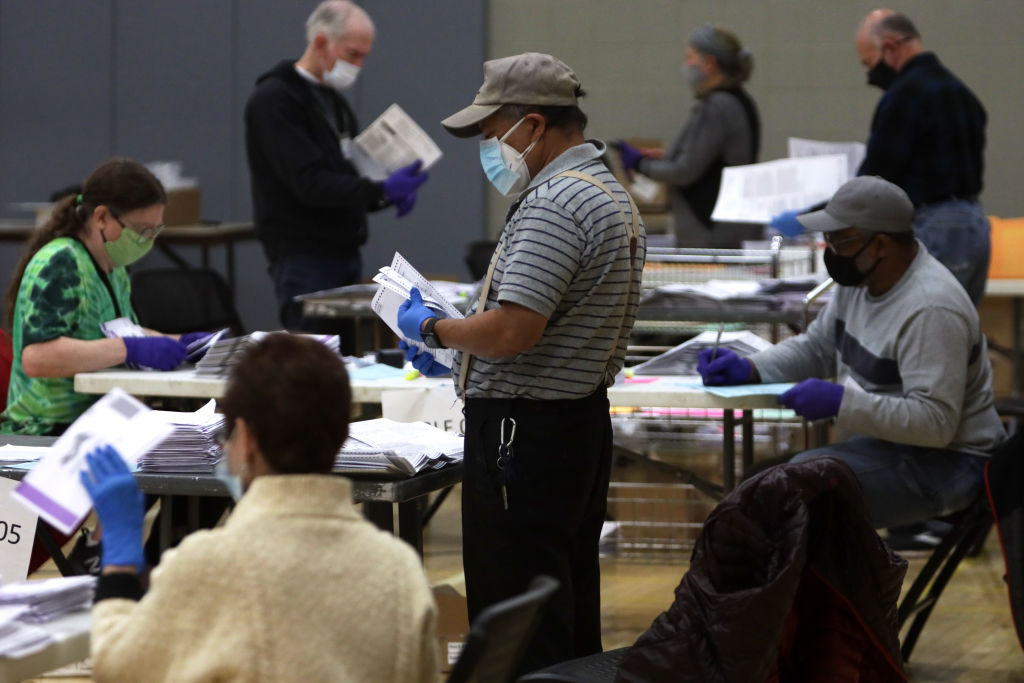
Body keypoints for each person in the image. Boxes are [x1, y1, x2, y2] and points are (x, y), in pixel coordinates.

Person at [396, 52, 645, 673]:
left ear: (531, 125)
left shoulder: (556, 203)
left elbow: (512, 331)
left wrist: (434, 329)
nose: (486, 149)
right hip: (571, 427)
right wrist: (459, 339)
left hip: (523, 435)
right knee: (560, 606)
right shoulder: (603, 190)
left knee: (516, 617)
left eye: (489, 133)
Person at [81, 333, 438, 682]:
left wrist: (120, 557)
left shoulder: (205, 565)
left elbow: (117, 666)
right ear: (343, 436)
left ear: (246, 439)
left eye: (227, 436)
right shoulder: (400, 571)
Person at [699, 176, 1005, 530]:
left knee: (787, 496)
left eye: (840, 240)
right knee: (759, 483)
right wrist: (751, 368)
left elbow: (935, 424)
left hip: (950, 461)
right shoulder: (861, 280)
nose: (830, 250)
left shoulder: (931, 308)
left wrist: (841, 403)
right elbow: (818, 348)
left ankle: (825, 586)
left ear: (880, 245)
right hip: (891, 446)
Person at [1, 158, 216, 575]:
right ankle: (125, 559)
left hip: (99, 420)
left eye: (156, 231)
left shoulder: (112, 269)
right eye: (142, 231)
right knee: (182, 457)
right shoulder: (60, 261)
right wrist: (127, 348)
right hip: (47, 430)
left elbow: (120, 331)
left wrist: (180, 344)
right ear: (102, 218)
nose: (149, 240)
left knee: (204, 449)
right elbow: (37, 356)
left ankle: (154, 566)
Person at [244, 0, 430, 340]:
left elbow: (347, 175)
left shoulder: (332, 102)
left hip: (342, 249)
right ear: (319, 42)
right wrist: (381, 190)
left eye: (363, 57)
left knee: (343, 355)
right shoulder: (275, 100)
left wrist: (384, 191)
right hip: (302, 253)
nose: (357, 65)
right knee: (314, 355)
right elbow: (309, 182)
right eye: (352, 54)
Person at [856, 10, 989, 304]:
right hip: (976, 226)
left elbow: (878, 177)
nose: (870, 75)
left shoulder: (904, 96)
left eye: (870, 63)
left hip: (936, 229)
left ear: (890, 47)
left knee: (929, 322)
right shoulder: (962, 93)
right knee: (960, 327)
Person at [613, 23, 760, 248]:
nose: (686, 64)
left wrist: (640, 164)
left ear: (709, 63)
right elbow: (709, 158)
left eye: (690, 57)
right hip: (722, 224)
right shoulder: (737, 101)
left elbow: (685, 172)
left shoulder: (719, 106)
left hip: (710, 229)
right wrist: (666, 157)